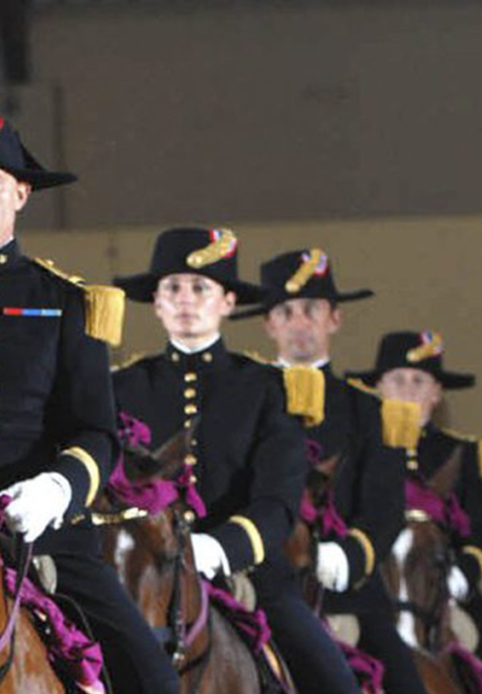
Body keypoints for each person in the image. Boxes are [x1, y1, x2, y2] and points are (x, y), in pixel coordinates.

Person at [0, 109, 180, 693]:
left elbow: (96, 432)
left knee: (154, 678)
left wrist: (58, 488)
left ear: (21, 194)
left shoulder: (70, 303)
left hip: (44, 532)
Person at [112, 228, 360, 694]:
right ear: (157, 303)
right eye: (173, 288)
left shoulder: (268, 388)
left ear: (227, 301)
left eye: (201, 288)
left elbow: (278, 500)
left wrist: (219, 549)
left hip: (247, 572)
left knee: (334, 681)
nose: (186, 300)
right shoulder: (123, 387)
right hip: (141, 573)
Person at [234, 249, 423, 693]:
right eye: (286, 311)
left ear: (334, 319)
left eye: (312, 310)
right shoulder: (239, 400)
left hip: (344, 589)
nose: (299, 322)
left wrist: (348, 556)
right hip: (250, 577)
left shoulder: (372, 412)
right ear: (269, 324)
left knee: (405, 682)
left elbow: (384, 506)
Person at [351, 330, 482, 692]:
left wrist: (460, 576)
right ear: (379, 387)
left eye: (419, 381)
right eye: (397, 380)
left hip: (441, 591)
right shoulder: (360, 453)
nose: (408, 390)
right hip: (371, 591)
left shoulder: (469, 455)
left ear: (437, 391)